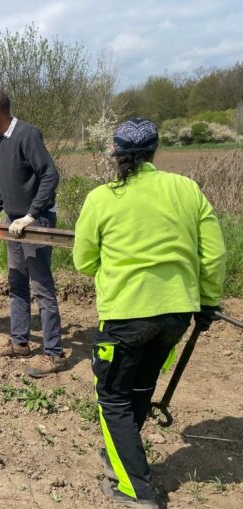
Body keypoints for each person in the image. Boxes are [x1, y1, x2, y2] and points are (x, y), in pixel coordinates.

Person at [73, 118, 226, 508]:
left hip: (126, 315)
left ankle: (136, 488)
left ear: (115, 153)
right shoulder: (186, 189)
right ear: (155, 151)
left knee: (112, 398)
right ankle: (119, 456)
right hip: (176, 314)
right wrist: (208, 301)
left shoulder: (102, 198)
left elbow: (84, 260)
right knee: (141, 387)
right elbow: (213, 254)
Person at [0, 89, 67, 377]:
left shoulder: (27, 135)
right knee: (16, 282)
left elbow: (50, 174)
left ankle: (53, 352)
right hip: (12, 220)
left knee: (41, 286)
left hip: (35, 220)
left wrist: (32, 214)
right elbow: (3, 179)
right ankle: (20, 342)